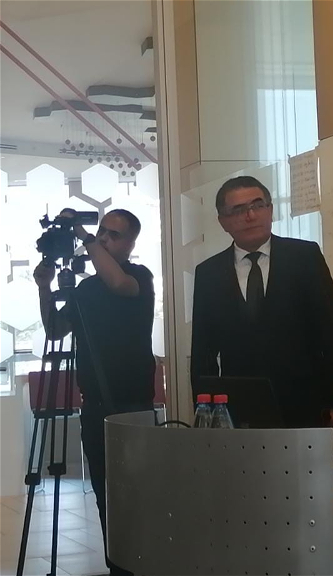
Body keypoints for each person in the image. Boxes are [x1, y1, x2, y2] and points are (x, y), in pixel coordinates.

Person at [34, 208, 155, 576]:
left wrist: (84, 235)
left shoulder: (138, 277)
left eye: (113, 235)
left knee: (137, 496)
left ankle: (145, 564)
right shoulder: (85, 289)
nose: (103, 238)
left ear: (131, 243)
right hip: (94, 407)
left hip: (132, 406)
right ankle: (117, 566)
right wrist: (44, 287)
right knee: (105, 495)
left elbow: (117, 284)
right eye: (101, 231)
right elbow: (56, 330)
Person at [191, 175, 333, 429]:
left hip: (305, 405)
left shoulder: (304, 257)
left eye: (258, 205)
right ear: (223, 222)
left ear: (270, 210)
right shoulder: (209, 273)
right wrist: (205, 412)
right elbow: (203, 352)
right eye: (238, 210)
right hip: (236, 410)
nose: (251, 215)